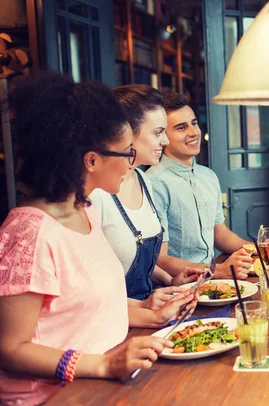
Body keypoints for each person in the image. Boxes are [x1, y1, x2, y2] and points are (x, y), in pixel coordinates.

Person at [0, 73, 182, 406]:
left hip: (104, 383)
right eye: (127, 152)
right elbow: (10, 349)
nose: (132, 162)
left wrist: (147, 311)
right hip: (52, 396)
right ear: (92, 160)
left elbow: (79, 308)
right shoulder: (29, 233)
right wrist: (102, 364)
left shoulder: (86, 212)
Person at [89, 85, 204, 326]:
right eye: (158, 132)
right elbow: (88, 290)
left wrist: (170, 281)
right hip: (115, 321)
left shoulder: (144, 180)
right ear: (128, 133)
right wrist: (143, 308)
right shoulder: (96, 195)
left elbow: (133, 257)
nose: (165, 140)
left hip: (150, 309)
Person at [146, 93, 253, 279]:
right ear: (163, 135)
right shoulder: (154, 183)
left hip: (214, 280)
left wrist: (258, 249)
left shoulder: (208, 176)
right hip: (180, 287)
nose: (194, 132)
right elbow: (159, 259)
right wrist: (219, 271)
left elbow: (220, 234)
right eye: (181, 127)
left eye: (194, 123)